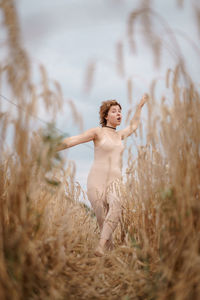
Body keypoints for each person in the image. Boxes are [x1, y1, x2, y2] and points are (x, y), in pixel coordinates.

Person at [56, 94, 148, 256]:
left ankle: (99, 247)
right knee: (102, 221)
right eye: (114, 111)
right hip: (96, 180)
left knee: (116, 206)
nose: (119, 114)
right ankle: (107, 258)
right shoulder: (97, 132)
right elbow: (73, 140)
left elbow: (133, 126)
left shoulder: (119, 135)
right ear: (106, 116)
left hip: (115, 180)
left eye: (120, 111)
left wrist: (140, 107)